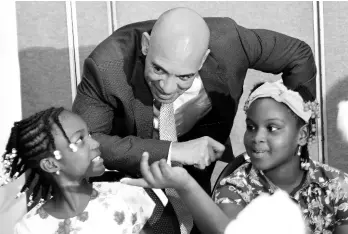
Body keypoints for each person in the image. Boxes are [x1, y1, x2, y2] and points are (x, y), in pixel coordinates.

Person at [72, 7, 317, 196]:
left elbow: (299, 56)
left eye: (184, 76)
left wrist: (293, 140)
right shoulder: (107, 66)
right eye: (158, 69)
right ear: (146, 45)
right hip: (132, 179)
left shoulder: (231, 43)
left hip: (201, 173)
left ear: (202, 61)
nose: (167, 87)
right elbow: (88, 141)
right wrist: (174, 151)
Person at [121, 80, 348, 234]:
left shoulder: (336, 184)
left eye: (272, 128)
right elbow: (228, 231)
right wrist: (185, 184)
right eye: (251, 127)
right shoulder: (237, 186)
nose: (257, 137)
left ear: (302, 135)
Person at [0, 107, 156, 234]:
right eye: (80, 139)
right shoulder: (30, 228)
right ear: (51, 165)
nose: (95, 143)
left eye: (89, 134)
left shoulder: (125, 193)